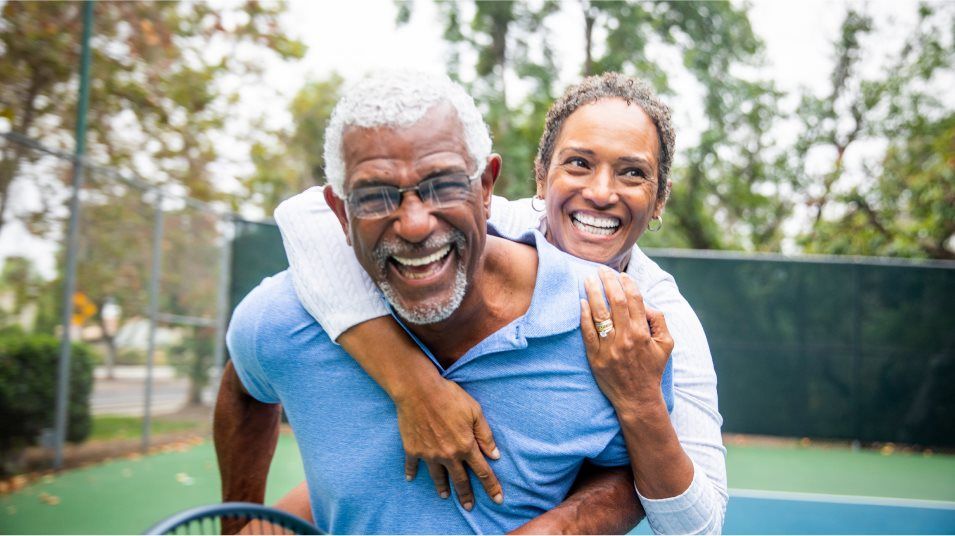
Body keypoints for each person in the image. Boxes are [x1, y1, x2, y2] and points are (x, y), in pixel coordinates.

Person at [216, 70, 676, 534]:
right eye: (376, 196)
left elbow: (629, 468)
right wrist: (237, 521)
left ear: (486, 188)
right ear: (340, 212)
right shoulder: (282, 318)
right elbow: (243, 384)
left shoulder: (614, 330)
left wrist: (564, 526)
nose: (415, 225)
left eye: (443, 184)